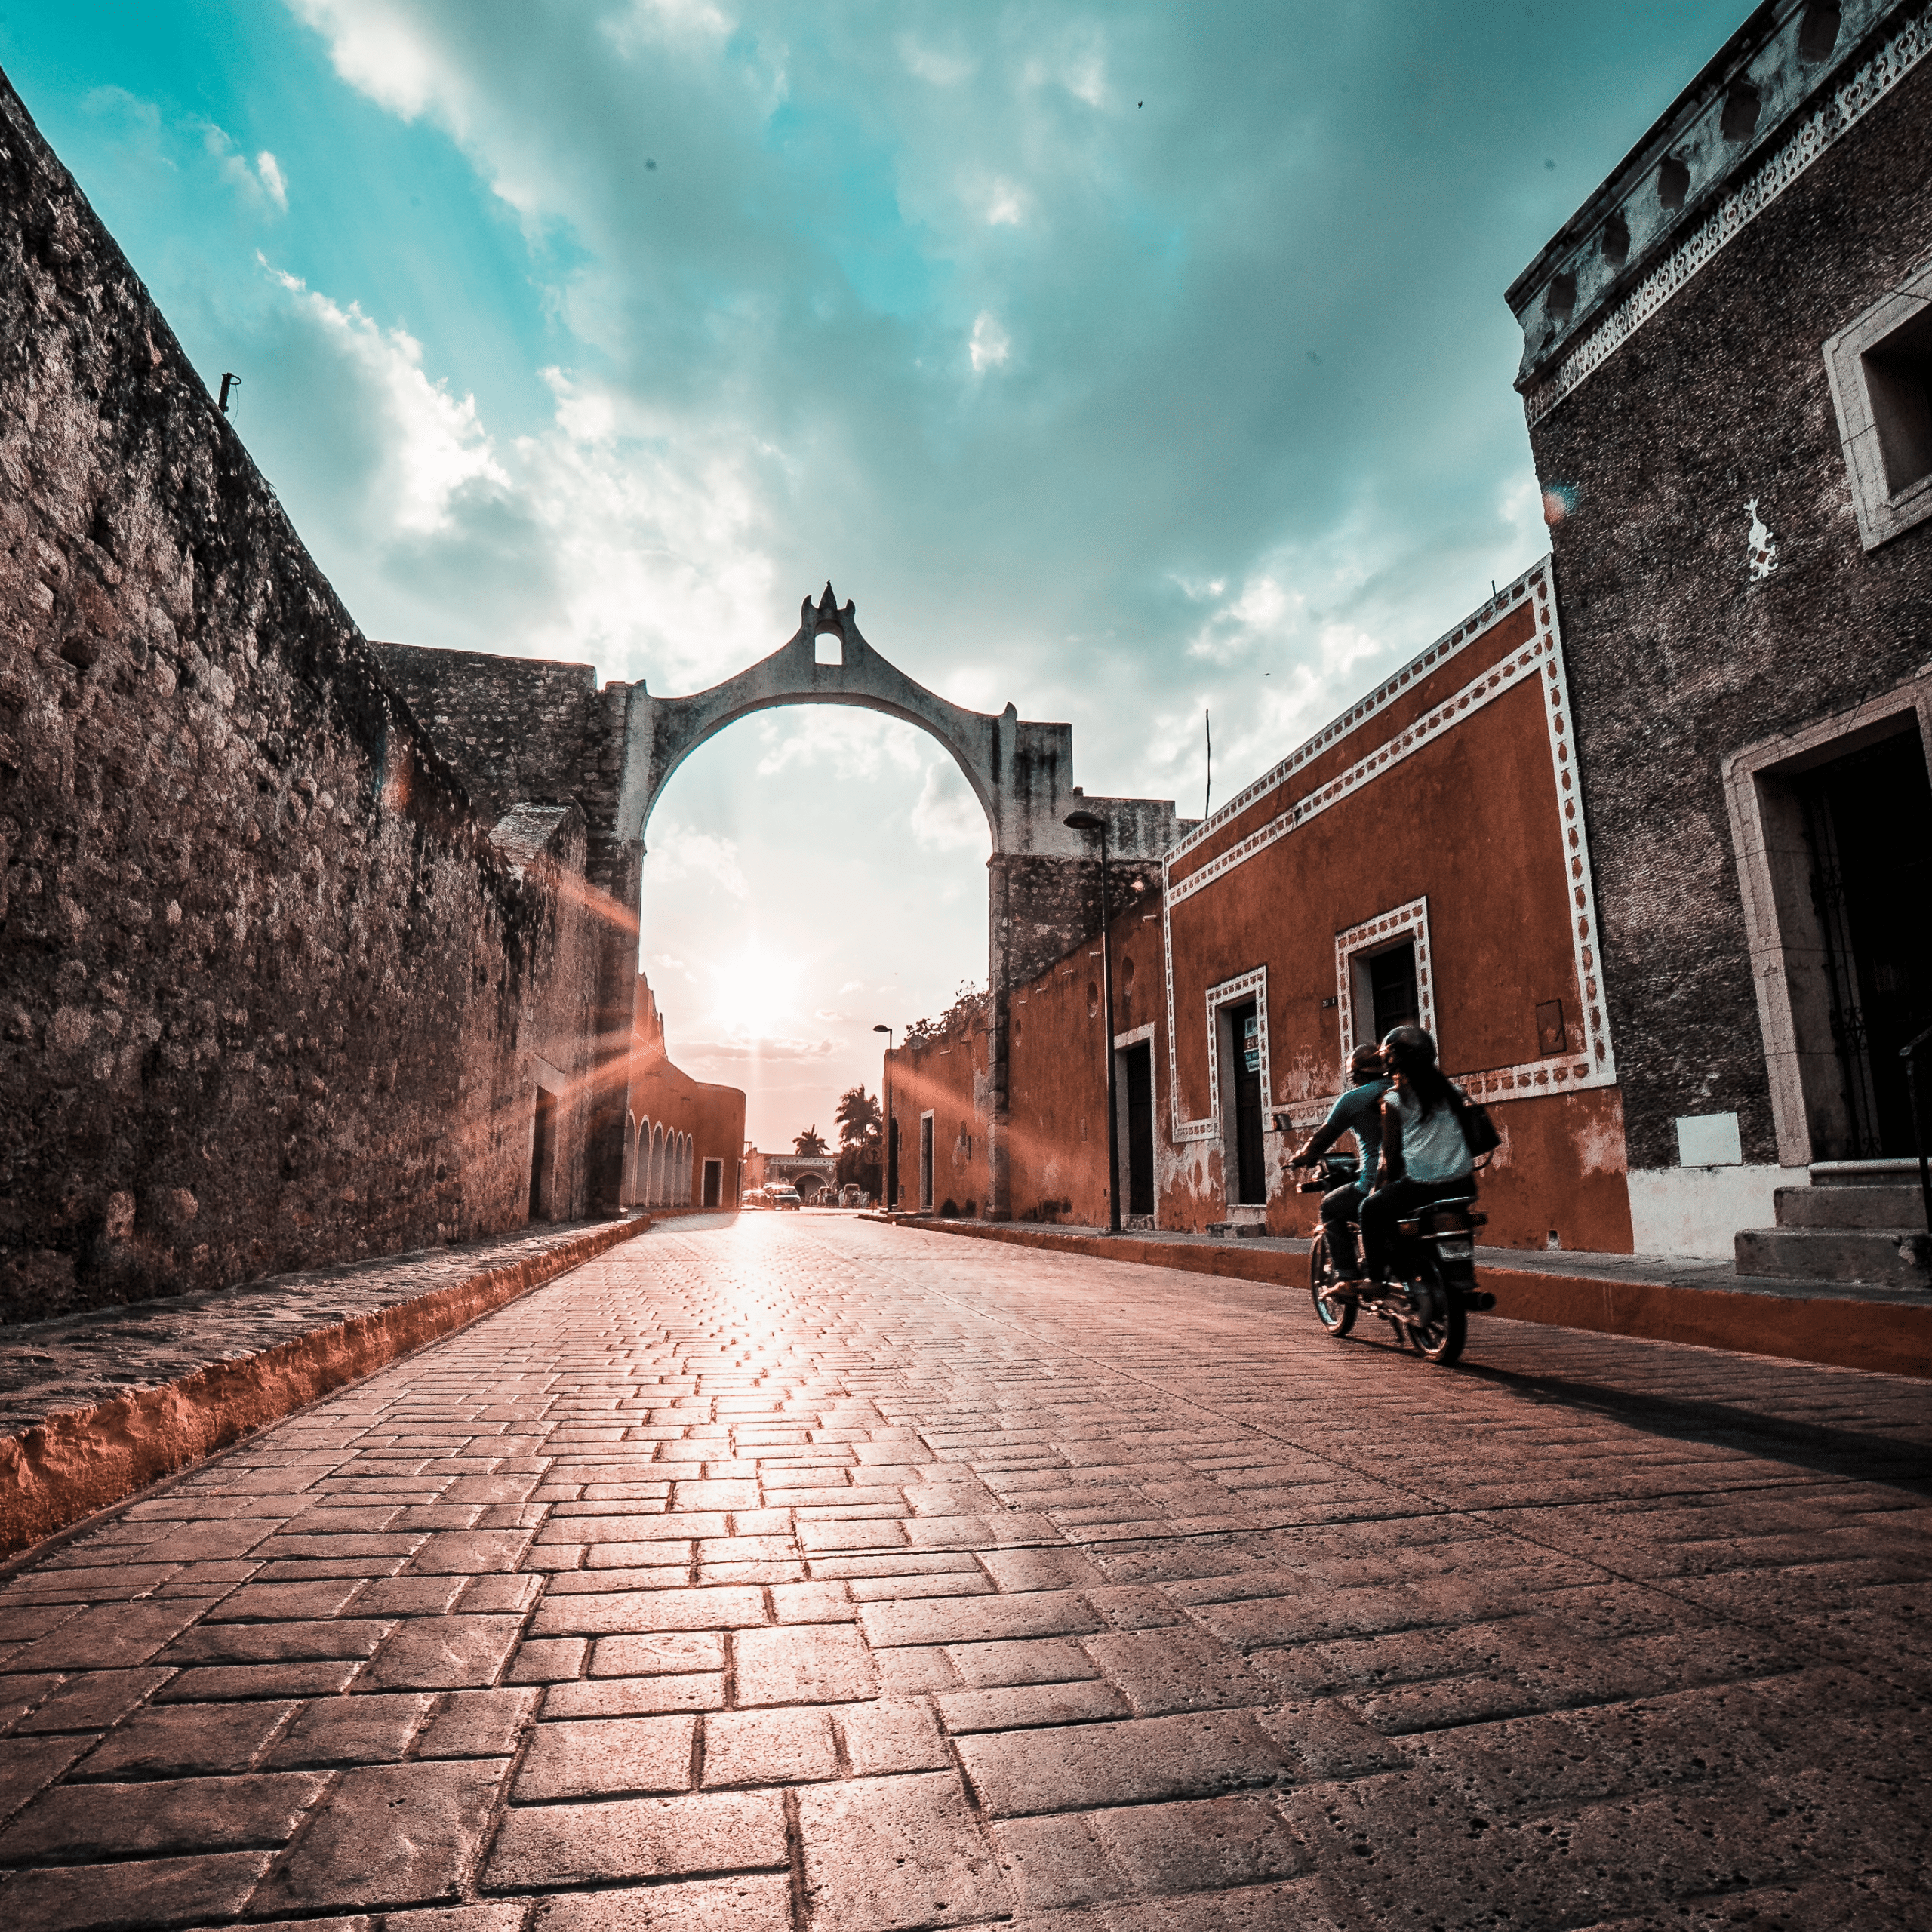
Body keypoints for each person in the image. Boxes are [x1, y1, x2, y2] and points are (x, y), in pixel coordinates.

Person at [1359, 1023, 1475, 1279]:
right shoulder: (1455, 1093)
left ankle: (1376, 1278)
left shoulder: (1394, 1100)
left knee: (1370, 1209)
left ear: (1393, 1060)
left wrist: (1380, 1186)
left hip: (1422, 1187)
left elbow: (1390, 1154)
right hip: (1464, 1185)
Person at [1291, 1042, 1391, 1281]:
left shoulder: (1354, 1099)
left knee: (1330, 1207)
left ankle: (1346, 1275)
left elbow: (1321, 1139)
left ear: (1356, 1076)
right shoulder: (1405, 1090)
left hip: (1376, 1180)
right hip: (1416, 1178)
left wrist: (1300, 1157)